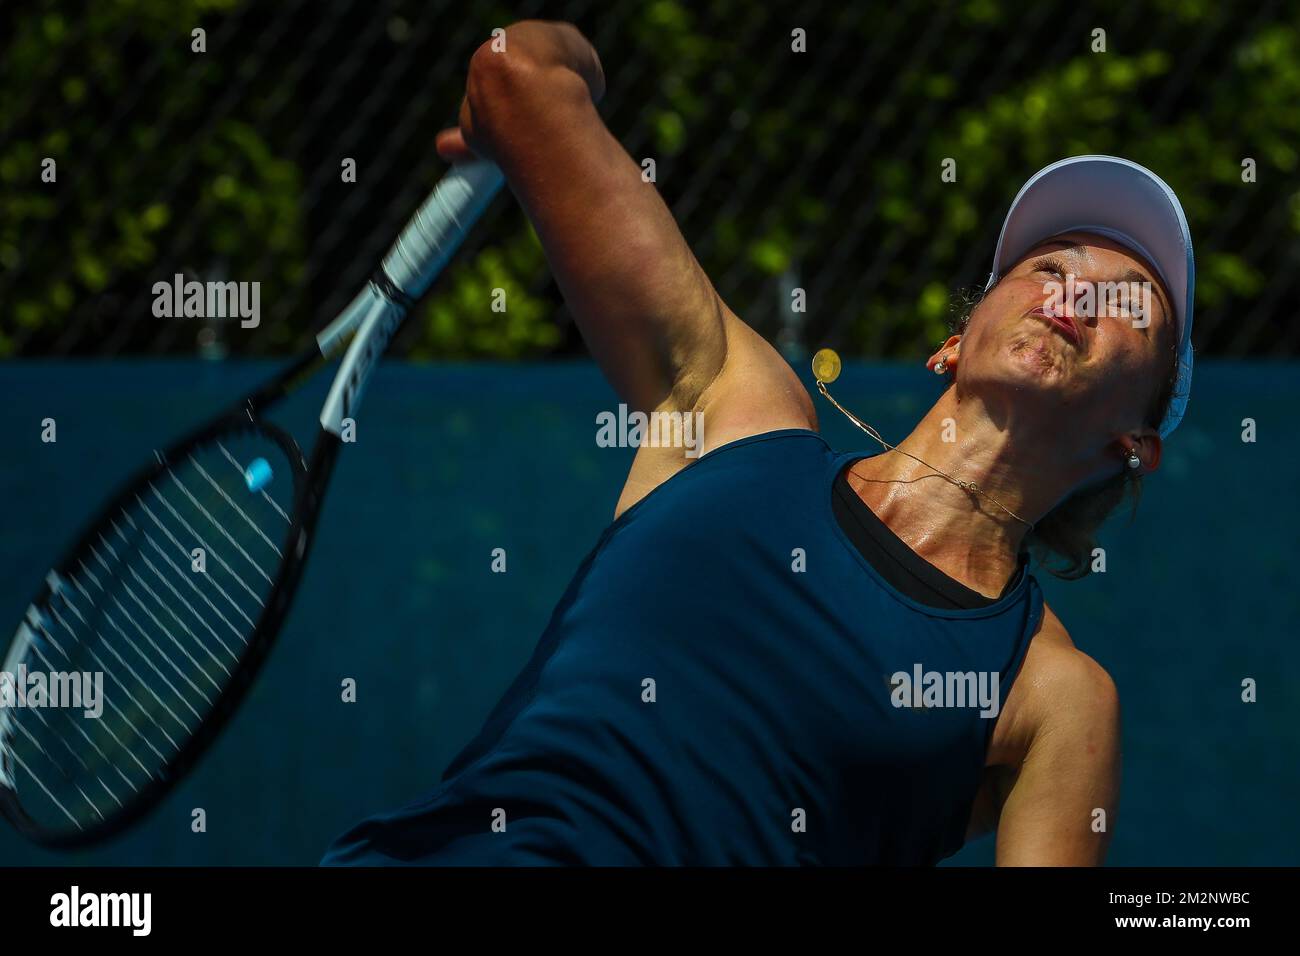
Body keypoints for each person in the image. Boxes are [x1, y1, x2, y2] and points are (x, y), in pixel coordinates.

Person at [322, 19, 1194, 866]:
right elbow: (516, 71)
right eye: (1048, 265)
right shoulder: (740, 411)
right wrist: (556, 80)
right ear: (953, 344)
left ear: (1136, 442)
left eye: (1129, 302)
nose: (1075, 292)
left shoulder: (1055, 699)